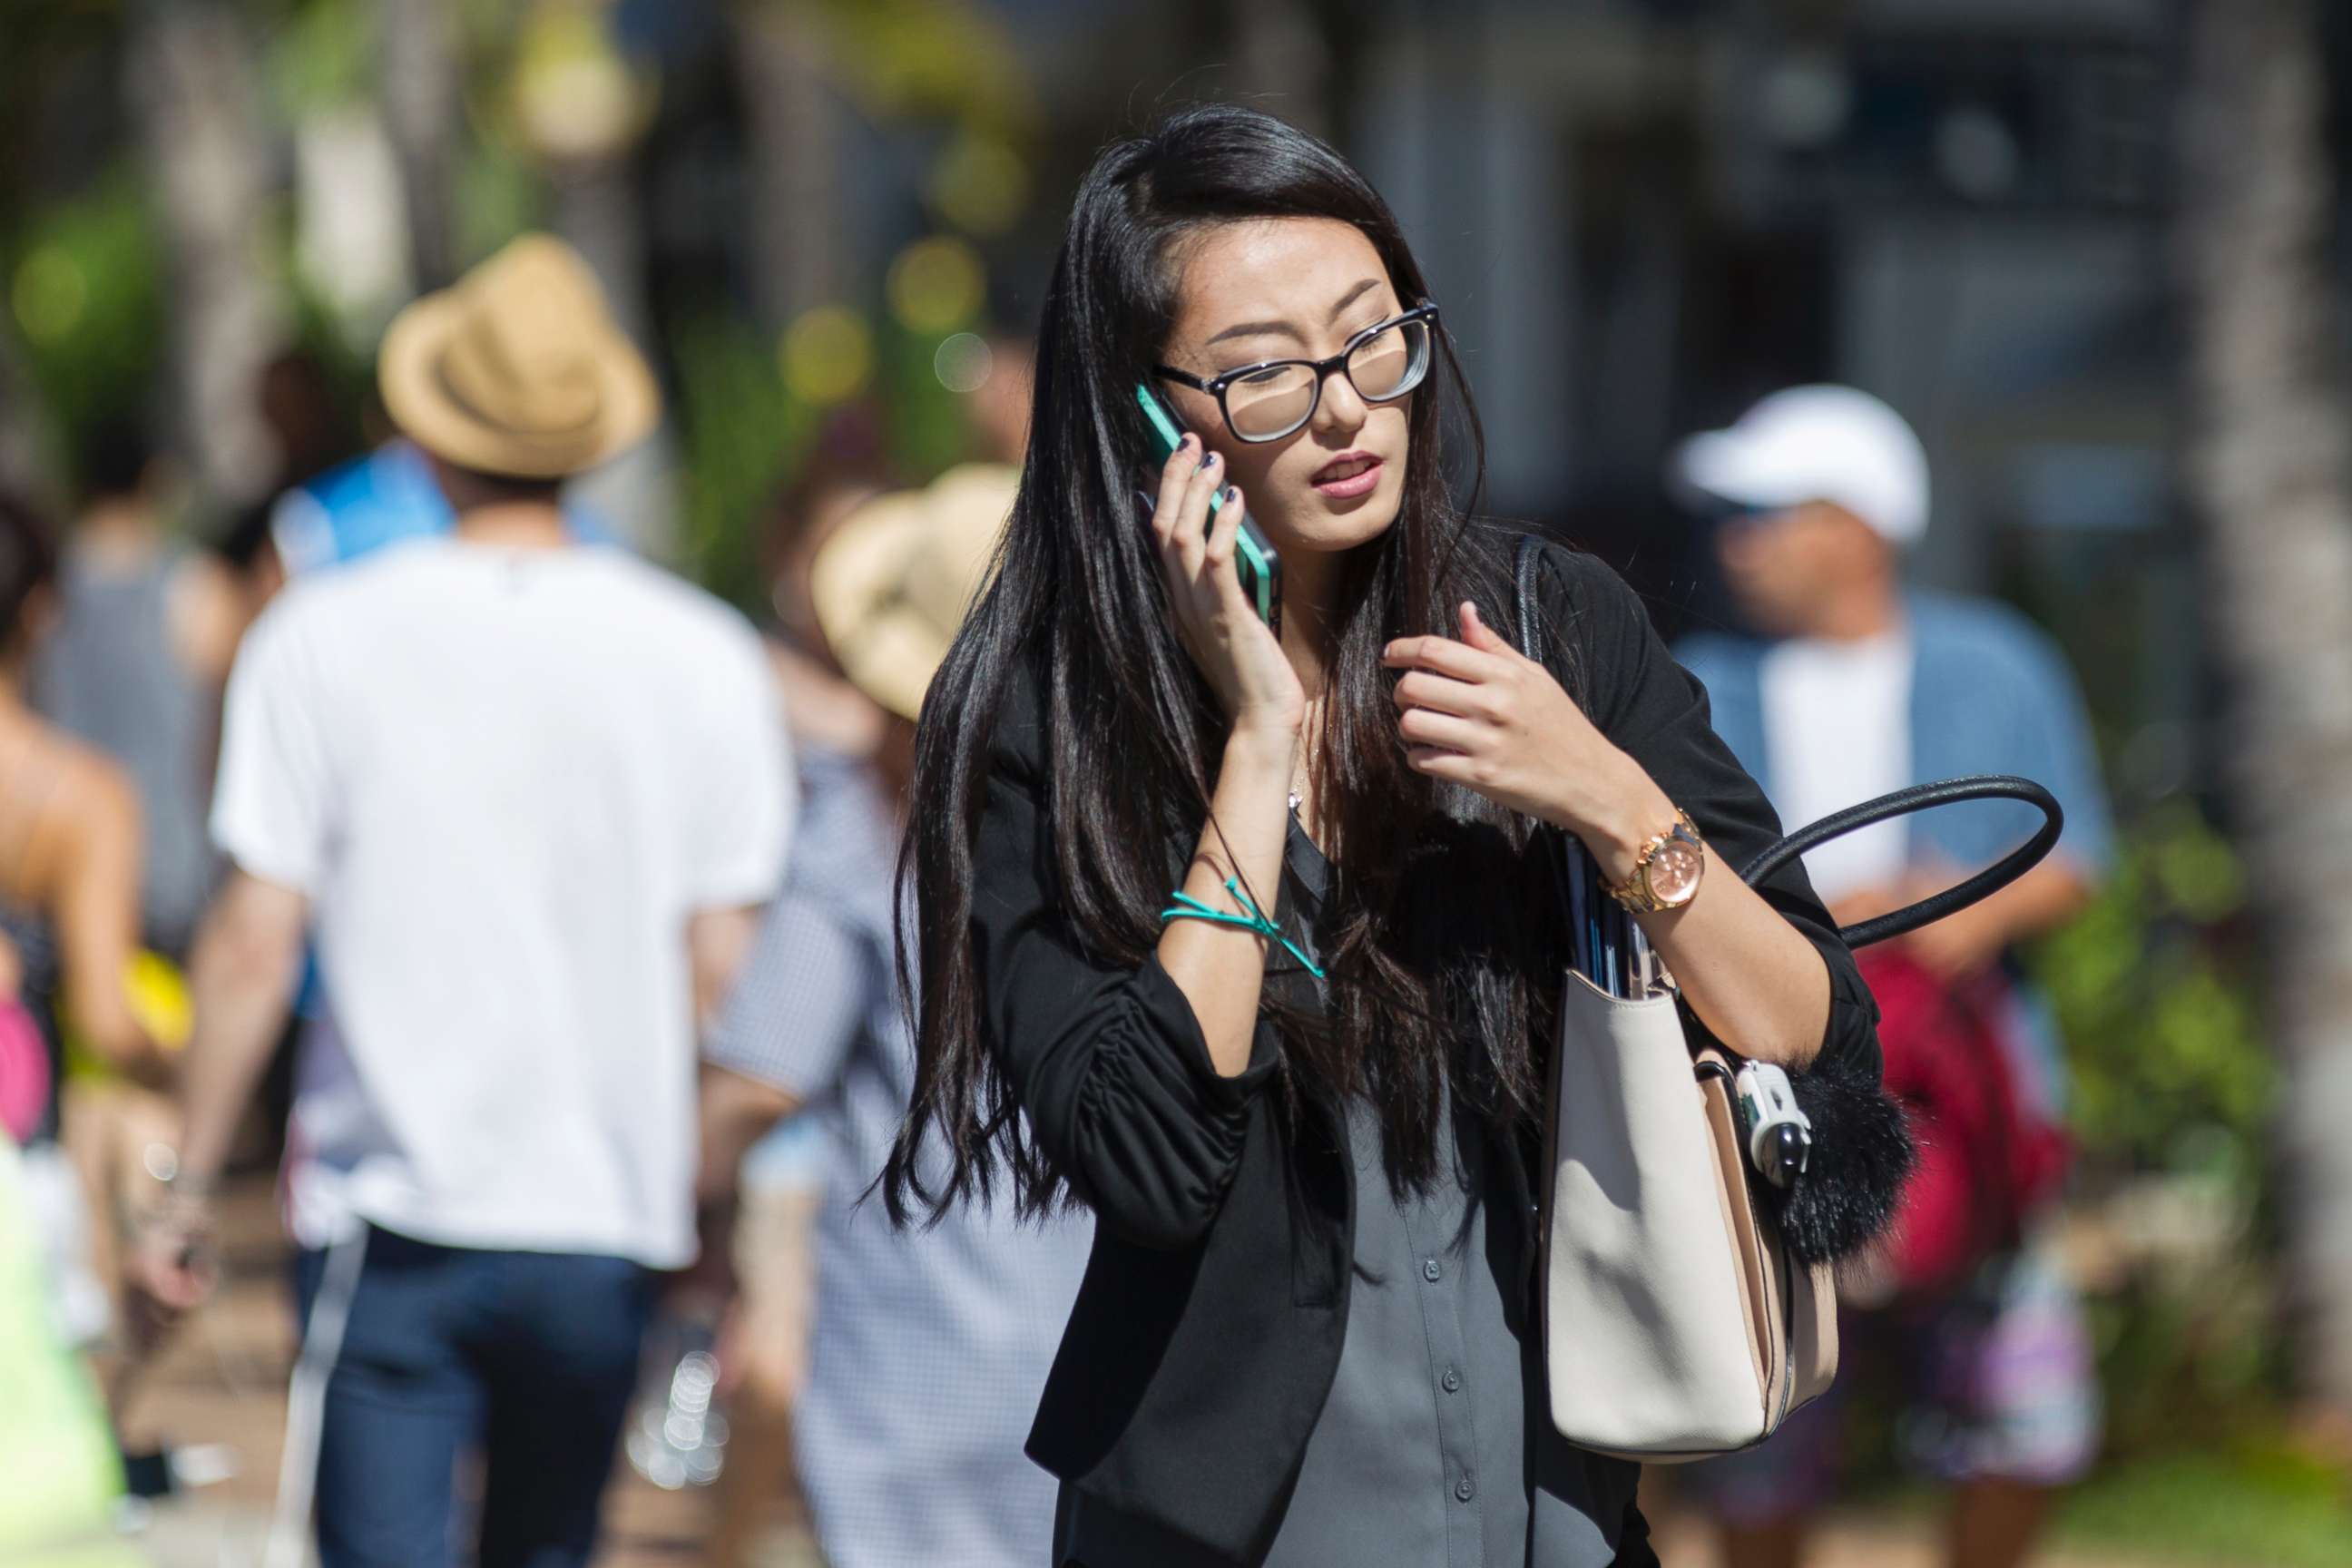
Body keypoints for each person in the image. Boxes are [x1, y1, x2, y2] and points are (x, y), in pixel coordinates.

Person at [879, 104, 1889, 1567]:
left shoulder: (1552, 631)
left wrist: (1605, 795)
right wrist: (1257, 739)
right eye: (1264, 375)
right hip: (1227, 1528)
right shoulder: (1051, 729)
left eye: (1372, 339)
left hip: (1557, 1509)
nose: (1347, 407)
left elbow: (1811, 1027)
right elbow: (1148, 1157)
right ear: (1148, 414)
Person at [132, 233, 793, 1568]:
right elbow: (727, 981)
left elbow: (257, 942)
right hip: (607, 1214)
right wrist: (717, 1221)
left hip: (392, 1213)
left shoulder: (323, 634)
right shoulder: (705, 657)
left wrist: (186, 1184)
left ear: (425, 441)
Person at [1667, 385, 2112, 1568]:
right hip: (1778, 1095)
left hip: (1970, 1097)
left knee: (2020, 1415)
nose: (1736, 542)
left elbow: (2081, 861)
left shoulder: (1995, 661)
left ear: (1858, 525)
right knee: (1770, 1419)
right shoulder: (1700, 677)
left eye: (1766, 514)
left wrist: (1955, 911)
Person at [699, 462, 1093, 1568]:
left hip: (917, 1361)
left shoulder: (869, 844)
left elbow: (759, 1078)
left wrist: (680, 1180)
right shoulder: (1128, 839)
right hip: (1107, 1357)